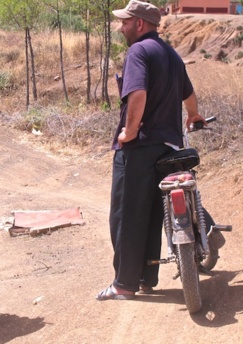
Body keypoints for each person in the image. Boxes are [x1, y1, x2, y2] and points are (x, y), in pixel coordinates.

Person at [96, 0, 206, 301]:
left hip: (140, 147)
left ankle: (123, 284)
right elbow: (189, 94)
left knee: (126, 215)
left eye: (125, 22)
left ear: (140, 24)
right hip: (168, 147)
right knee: (152, 214)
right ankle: (146, 277)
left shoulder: (139, 52)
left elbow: (138, 94)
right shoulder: (171, 54)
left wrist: (129, 132)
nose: (121, 27)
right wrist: (193, 115)